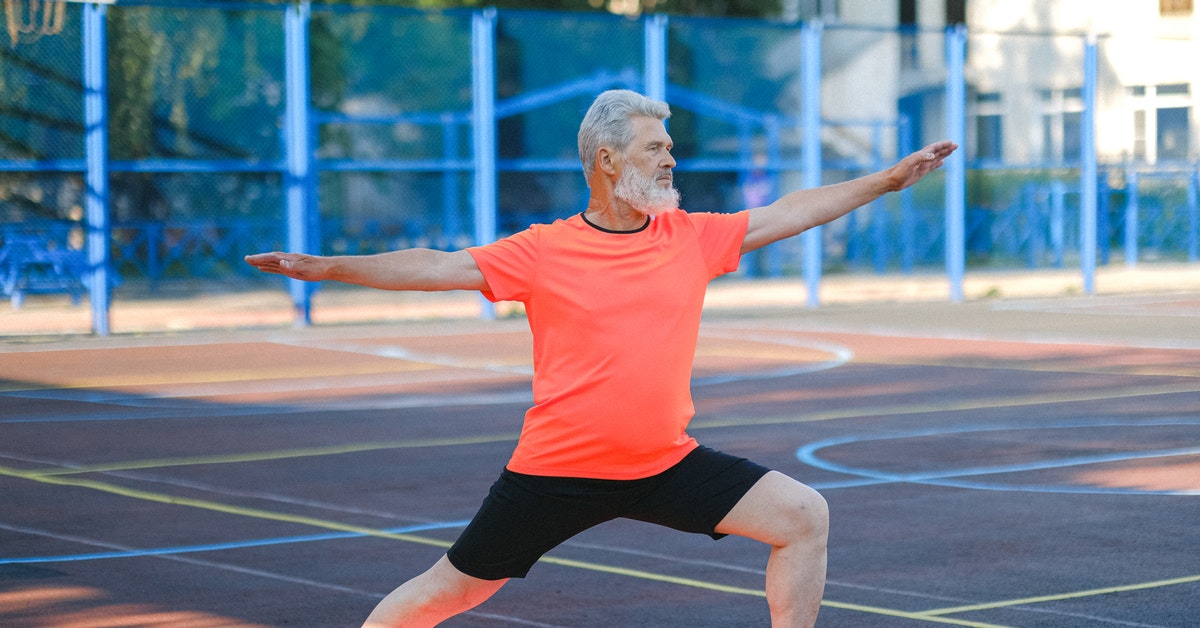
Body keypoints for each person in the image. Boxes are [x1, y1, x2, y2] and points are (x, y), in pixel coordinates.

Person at [246, 89, 956, 628]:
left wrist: (886, 181)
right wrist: (328, 268)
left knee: (803, 515)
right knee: (453, 590)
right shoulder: (543, 250)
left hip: (663, 463)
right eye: (654, 148)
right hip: (556, 472)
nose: (670, 159)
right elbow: (433, 266)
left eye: (669, 146)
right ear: (607, 161)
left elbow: (794, 211)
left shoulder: (689, 237)